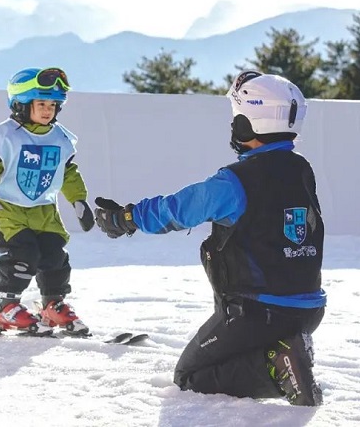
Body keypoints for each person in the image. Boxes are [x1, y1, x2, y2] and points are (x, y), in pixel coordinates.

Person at [93, 71, 325, 406]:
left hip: (257, 311)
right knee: (233, 353)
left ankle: (280, 365)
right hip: (308, 310)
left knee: (190, 376)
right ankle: (283, 356)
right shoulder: (301, 170)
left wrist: (125, 218)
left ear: (248, 124)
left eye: (237, 117)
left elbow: (178, 210)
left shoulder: (235, 182)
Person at [0, 67, 95, 335]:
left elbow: (69, 172)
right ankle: (5, 307)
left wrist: (79, 201)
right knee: (22, 255)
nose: (48, 110)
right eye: (41, 103)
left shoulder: (61, 138)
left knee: (55, 256)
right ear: (20, 103)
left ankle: (52, 304)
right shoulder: (4, 135)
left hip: (44, 211)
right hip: (8, 210)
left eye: (53, 104)